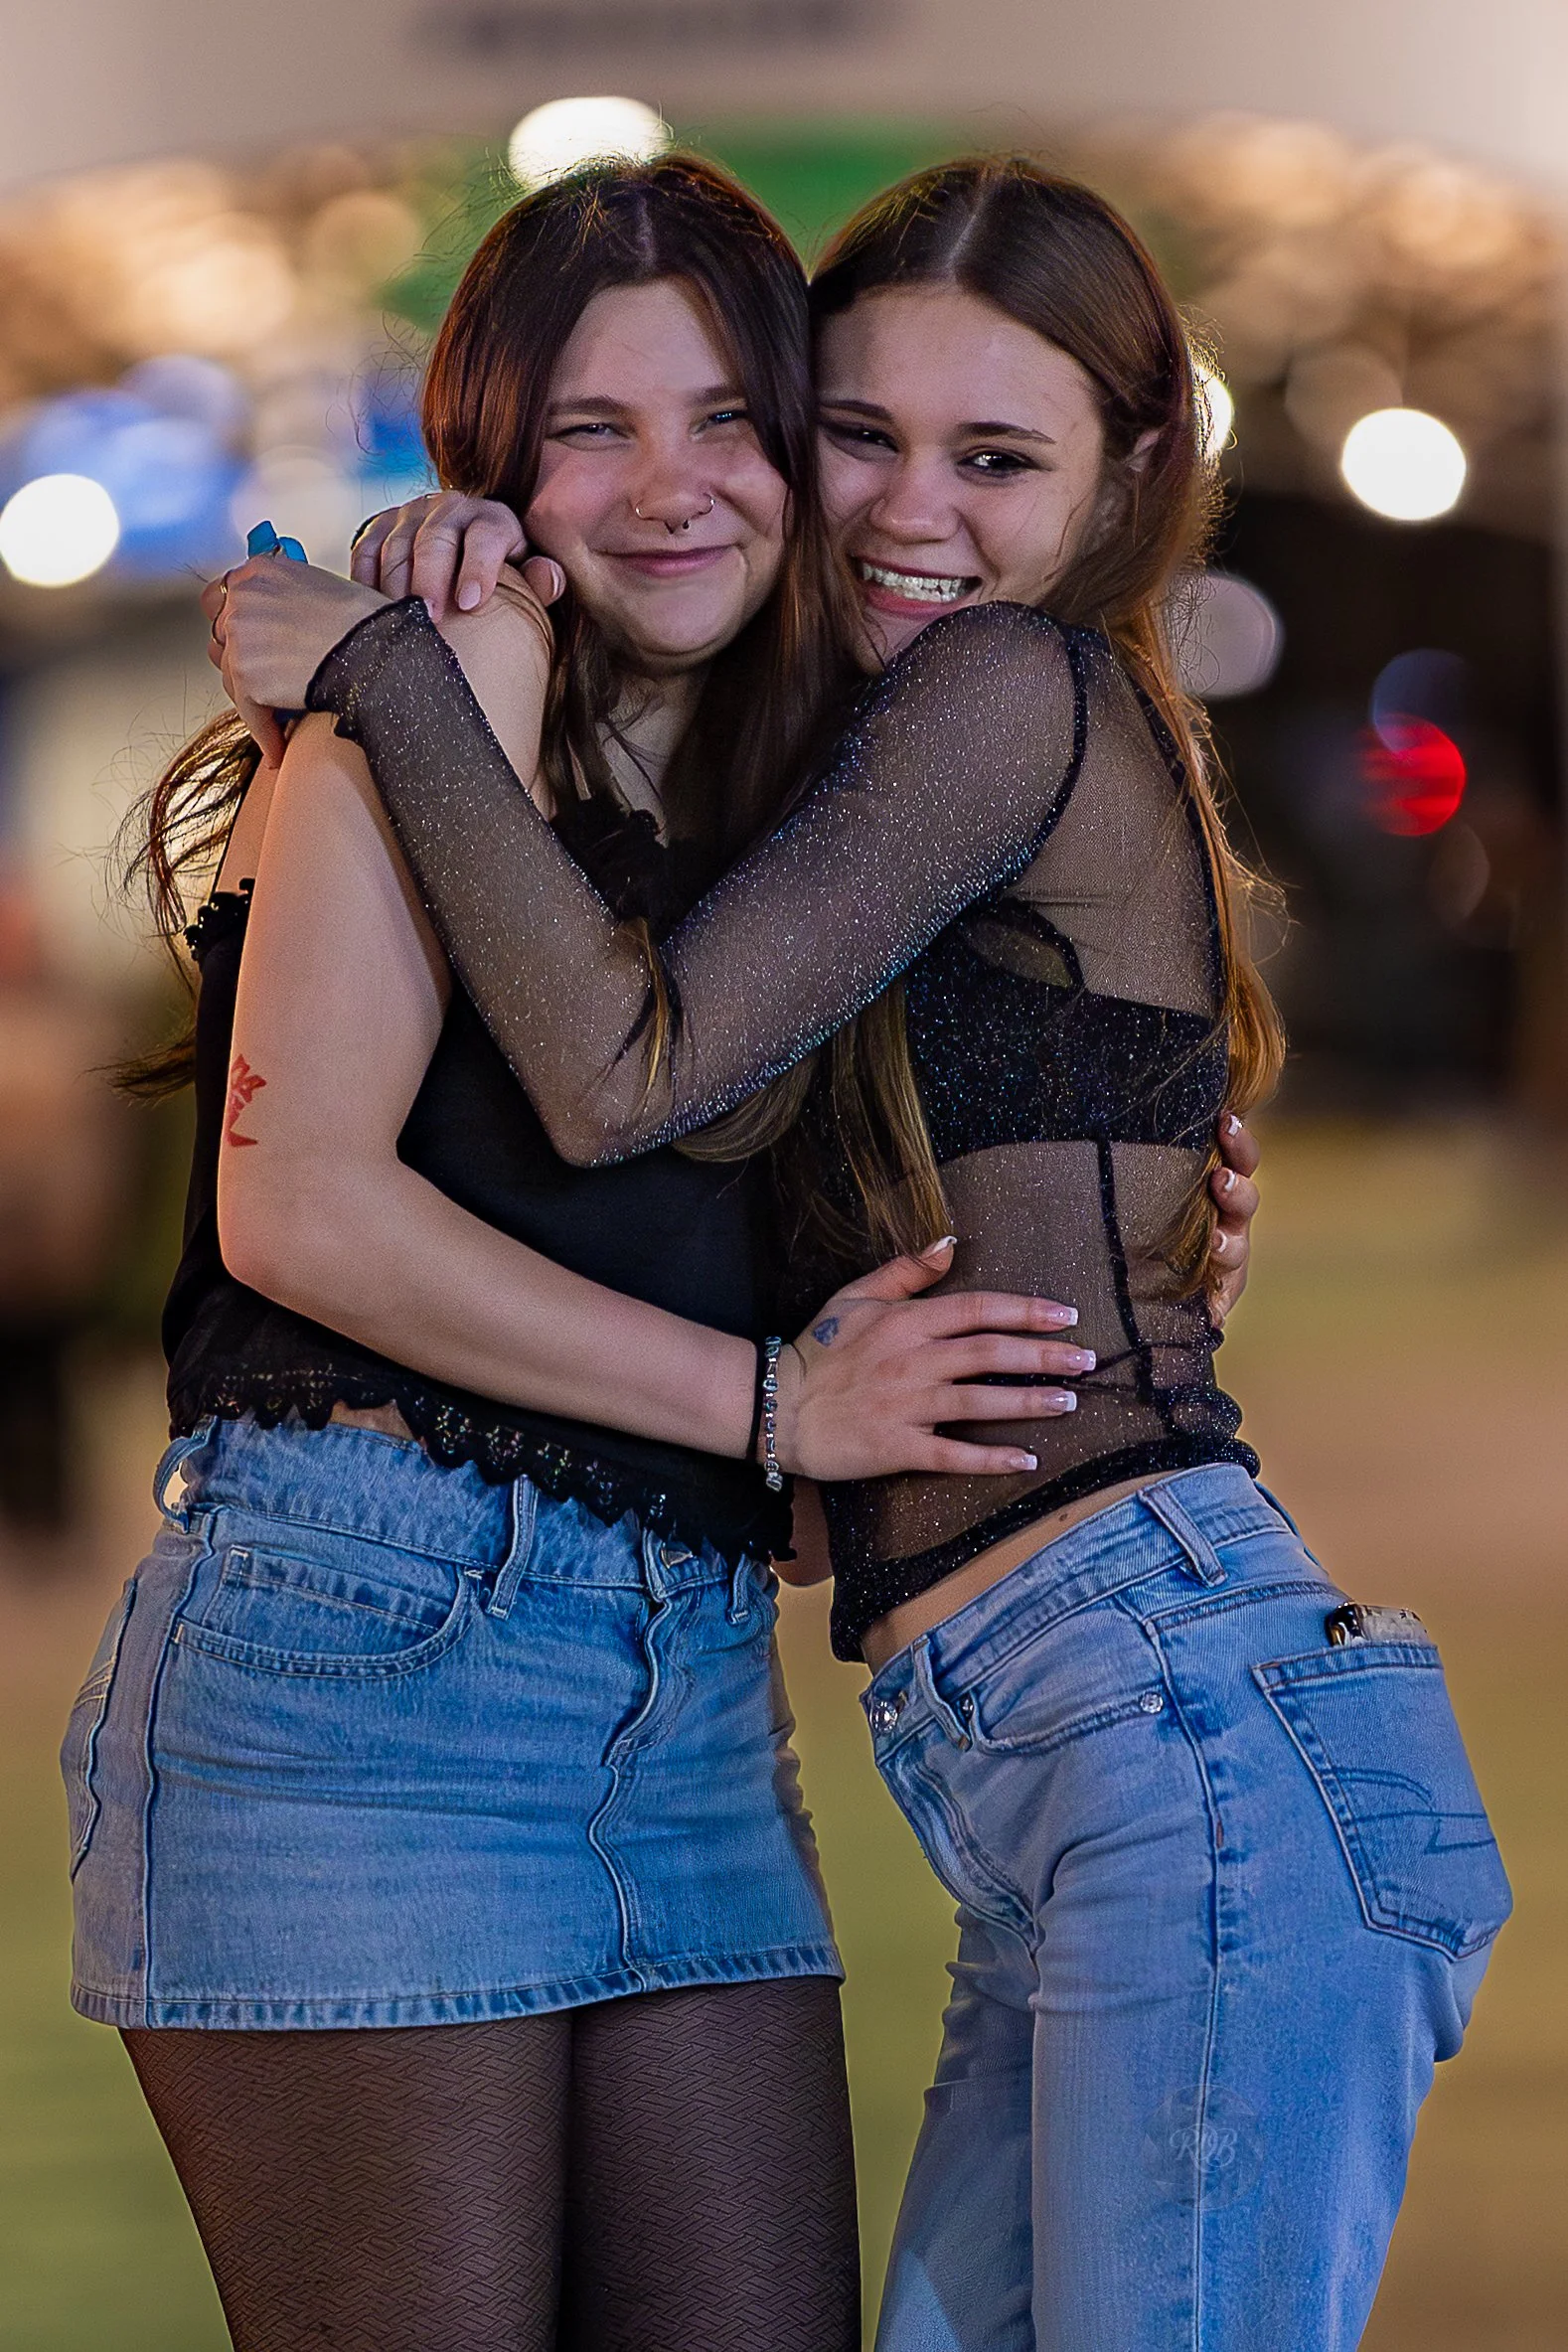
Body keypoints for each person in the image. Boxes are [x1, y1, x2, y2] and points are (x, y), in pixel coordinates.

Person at [222, 156, 1511, 2351]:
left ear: (1127, 478)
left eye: (998, 457)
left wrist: (381, 670)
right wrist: (444, 580)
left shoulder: (1010, 687)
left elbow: (632, 1076)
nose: (914, 507)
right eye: (862, 432)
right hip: (1077, 1758)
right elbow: (713, 1159)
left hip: (1181, 1728)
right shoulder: (887, 757)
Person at [65, 158, 1169, 2352]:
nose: (668, 488)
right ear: (497, 461)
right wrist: (767, 1404)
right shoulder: (436, 691)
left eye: (723, 419)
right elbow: (301, 1204)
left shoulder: (825, 793)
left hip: (682, 1696)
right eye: (589, 428)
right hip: (359, 1666)